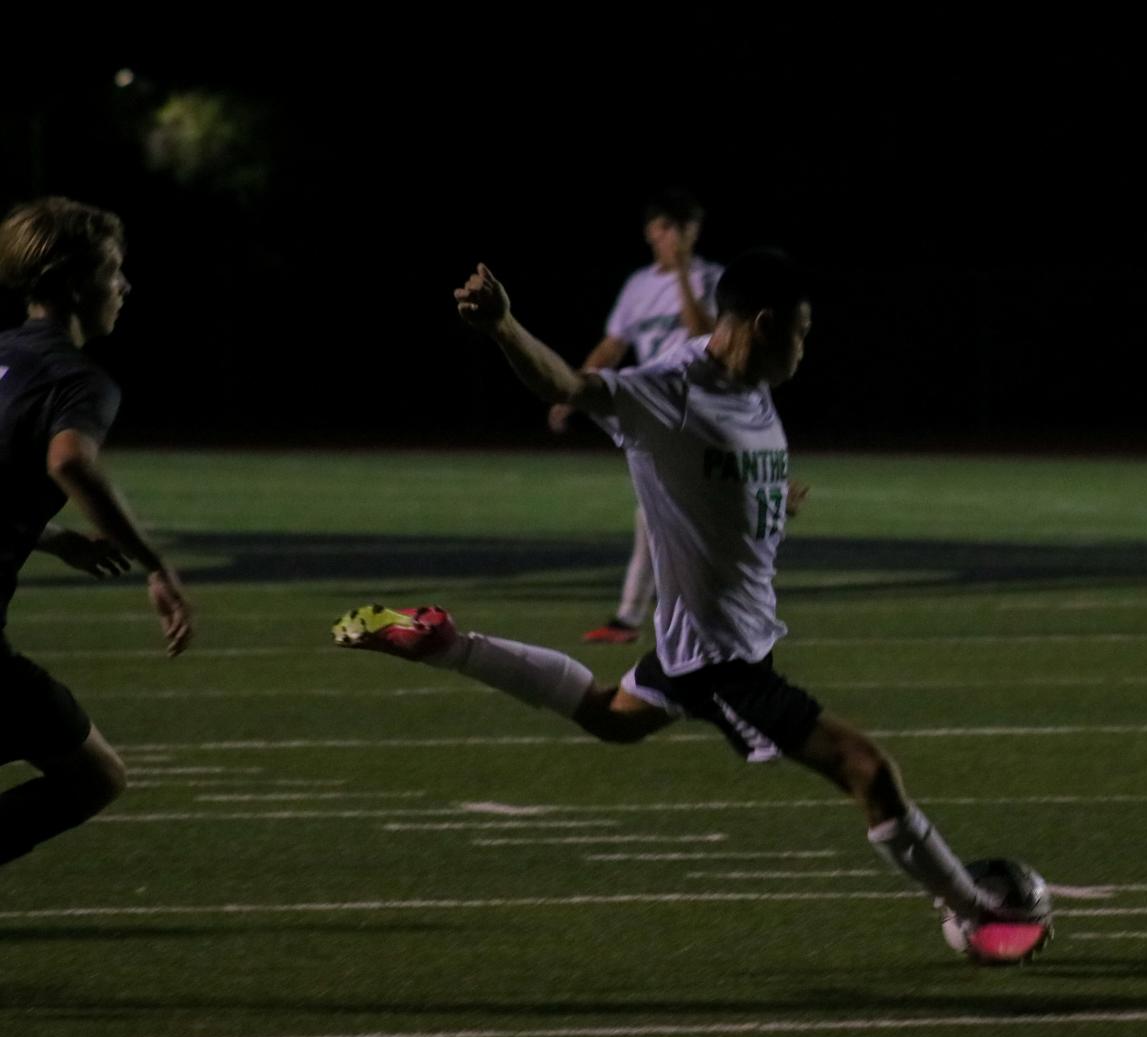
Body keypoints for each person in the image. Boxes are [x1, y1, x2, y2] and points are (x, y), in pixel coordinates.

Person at [331, 250, 1051, 962]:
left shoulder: (750, 386)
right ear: (764, 324)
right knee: (867, 769)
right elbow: (571, 386)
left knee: (611, 719)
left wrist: (771, 500)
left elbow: (722, 476)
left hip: (712, 640)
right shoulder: (670, 389)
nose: (805, 347)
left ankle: (449, 644)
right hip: (721, 657)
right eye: (800, 332)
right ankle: (978, 913)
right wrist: (504, 327)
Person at [0, 197, 194, 866]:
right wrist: (155, 565)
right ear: (73, 281)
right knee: (95, 777)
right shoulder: (77, 378)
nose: (124, 286)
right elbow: (70, 459)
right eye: (114, 270)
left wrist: (53, 540)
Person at [551, 188, 723, 645]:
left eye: (689, 232)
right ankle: (636, 617)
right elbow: (613, 346)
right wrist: (572, 390)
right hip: (654, 409)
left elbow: (704, 336)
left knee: (665, 513)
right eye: (673, 231)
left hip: (699, 409)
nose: (681, 240)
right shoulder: (638, 286)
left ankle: (642, 617)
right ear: (654, 232)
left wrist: (685, 272)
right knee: (658, 513)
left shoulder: (711, 277)